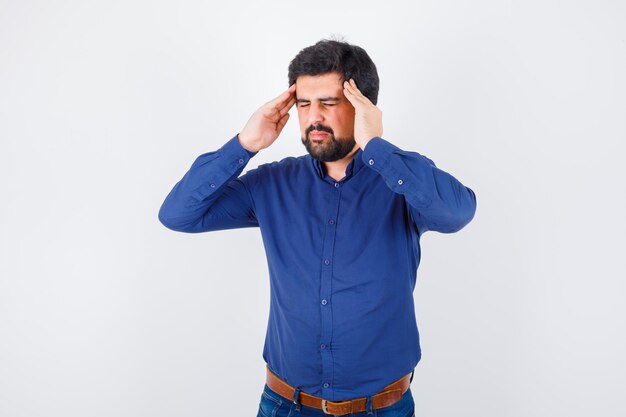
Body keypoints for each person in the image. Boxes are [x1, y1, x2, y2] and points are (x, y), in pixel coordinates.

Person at [158, 39, 477, 417]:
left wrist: (375, 145)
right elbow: (178, 214)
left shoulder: (400, 180)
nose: (313, 118)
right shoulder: (272, 184)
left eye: (328, 103)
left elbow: (457, 212)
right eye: (304, 104)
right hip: (284, 404)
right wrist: (244, 144)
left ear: (362, 108)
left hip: (382, 408)